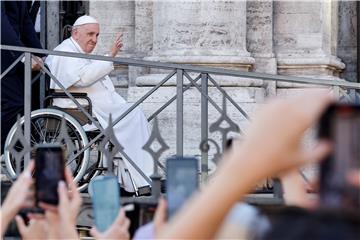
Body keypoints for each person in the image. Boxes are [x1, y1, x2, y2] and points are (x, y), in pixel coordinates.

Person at [45, 15, 153, 193]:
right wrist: (110, 56)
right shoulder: (65, 51)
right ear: (76, 33)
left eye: (97, 35)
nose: (94, 40)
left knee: (134, 115)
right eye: (90, 34)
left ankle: (138, 179)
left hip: (94, 106)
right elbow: (83, 78)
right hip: (80, 109)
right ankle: (141, 179)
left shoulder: (78, 51)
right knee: (133, 116)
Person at [1, 1, 44, 153]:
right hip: (4, 61)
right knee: (15, 103)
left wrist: (41, 56)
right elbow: (2, 25)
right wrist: (23, 57)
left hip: (14, 60)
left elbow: (26, 26)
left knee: (26, 106)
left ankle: (17, 159)